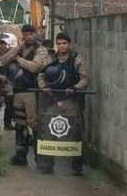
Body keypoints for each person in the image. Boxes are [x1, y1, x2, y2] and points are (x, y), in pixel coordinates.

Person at [37, 32, 89, 175]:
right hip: (52, 100)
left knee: (75, 132)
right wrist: (43, 87)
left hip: (71, 101)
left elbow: (85, 79)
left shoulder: (77, 60)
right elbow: (41, 75)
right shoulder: (50, 59)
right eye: (59, 44)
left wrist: (75, 88)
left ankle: (77, 166)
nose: (61, 46)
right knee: (48, 131)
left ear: (69, 44)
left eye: (64, 43)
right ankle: (47, 165)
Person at [2, 24, 50, 166]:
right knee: (19, 125)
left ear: (35, 34)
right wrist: (17, 49)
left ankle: (40, 158)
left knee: (34, 125)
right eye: (25, 34)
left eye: (30, 34)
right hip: (18, 91)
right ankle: (20, 156)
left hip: (31, 91)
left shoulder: (40, 50)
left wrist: (18, 59)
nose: (28, 37)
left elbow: (34, 67)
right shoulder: (20, 48)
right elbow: (4, 61)